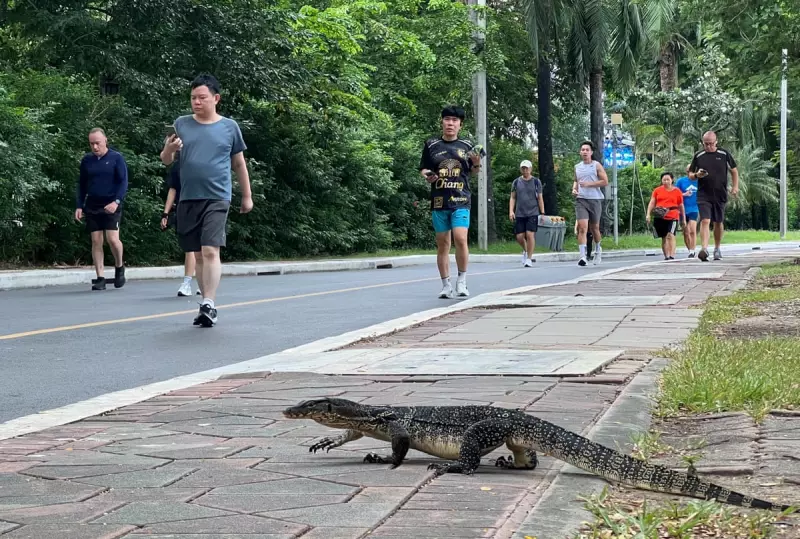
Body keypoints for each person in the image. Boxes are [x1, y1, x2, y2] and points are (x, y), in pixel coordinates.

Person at [160, 74, 253, 327]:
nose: (196, 102)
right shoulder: (181, 124)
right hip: (189, 196)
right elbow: (166, 160)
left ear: (216, 98)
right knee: (198, 255)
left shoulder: (229, 127)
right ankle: (205, 304)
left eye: (202, 97)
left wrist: (247, 195)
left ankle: (209, 302)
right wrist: (170, 149)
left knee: (211, 249)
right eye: (193, 98)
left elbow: (238, 163)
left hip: (217, 195)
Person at [419, 105, 482, 299]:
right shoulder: (431, 144)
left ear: (460, 125)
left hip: (461, 199)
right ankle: (446, 285)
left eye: (454, 121)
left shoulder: (468, 145)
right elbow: (423, 168)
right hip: (439, 200)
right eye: (447, 119)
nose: (450, 124)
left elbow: (474, 171)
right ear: (442, 122)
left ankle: (462, 281)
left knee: (460, 238)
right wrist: (427, 175)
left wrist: (477, 161)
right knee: (443, 243)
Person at [74, 127, 128, 291]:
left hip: (111, 203)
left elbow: (123, 182)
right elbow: (81, 185)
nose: (95, 147)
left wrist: (116, 201)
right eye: (92, 144)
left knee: (112, 239)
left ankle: (119, 267)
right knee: (96, 240)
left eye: (97, 143)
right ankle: (100, 277)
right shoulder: (87, 161)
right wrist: (79, 205)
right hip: (93, 204)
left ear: (105, 141)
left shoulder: (116, 158)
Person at [686, 131, 739, 261]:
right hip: (704, 194)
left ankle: (717, 248)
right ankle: (704, 249)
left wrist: (735, 186)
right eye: (706, 144)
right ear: (702, 143)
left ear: (716, 142)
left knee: (718, 222)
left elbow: (734, 170)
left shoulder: (724, 154)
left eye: (711, 143)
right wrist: (697, 175)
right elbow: (690, 174)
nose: (708, 146)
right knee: (705, 220)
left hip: (720, 193)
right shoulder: (699, 155)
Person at [160, 152, 200, 297]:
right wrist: (165, 213)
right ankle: (187, 283)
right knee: (190, 247)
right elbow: (173, 189)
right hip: (185, 208)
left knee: (205, 248)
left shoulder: (203, 162)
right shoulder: (178, 166)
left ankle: (204, 281)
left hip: (205, 206)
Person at [572, 141, 608, 266]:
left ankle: (598, 250)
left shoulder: (596, 165)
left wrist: (589, 184)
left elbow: (605, 181)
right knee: (582, 227)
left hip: (595, 199)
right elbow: (576, 181)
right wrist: (574, 189)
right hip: (581, 199)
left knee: (594, 228)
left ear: (591, 152)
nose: (585, 152)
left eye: (587, 150)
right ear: (580, 152)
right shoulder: (577, 167)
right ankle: (582, 256)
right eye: (583, 150)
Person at [509, 159, 544, 267]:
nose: (525, 170)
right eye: (523, 168)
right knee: (519, 237)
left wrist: (542, 213)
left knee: (530, 234)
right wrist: (511, 211)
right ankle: (526, 251)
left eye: (526, 168)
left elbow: (540, 198)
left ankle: (529, 258)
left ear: (530, 169)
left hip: (532, 212)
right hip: (520, 212)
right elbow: (513, 197)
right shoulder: (516, 182)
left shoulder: (536, 182)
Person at [646, 172, 686, 260]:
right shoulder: (657, 190)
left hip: (673, 215)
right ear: (661, 181)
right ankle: (666, 256)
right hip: (660, 215)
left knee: (670, 235)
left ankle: (672, 255)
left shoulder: (677, 191)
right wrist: (648, 214)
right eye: (664, 180)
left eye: (668, 179)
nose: (666, 181)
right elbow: (652, 202)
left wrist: (683, 219)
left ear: (672, 180)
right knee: (664, 237)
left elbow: (681, 205)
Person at [674, 173, 699, 257]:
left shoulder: (700, 181)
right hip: (682, 209)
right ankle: (690, 250)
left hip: (694, 208)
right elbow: (674, 194)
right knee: (686, 232)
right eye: (689, 171)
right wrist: (684, 194)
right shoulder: (681, 181)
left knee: (692, 230)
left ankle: (692, 250)